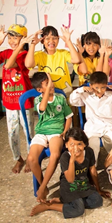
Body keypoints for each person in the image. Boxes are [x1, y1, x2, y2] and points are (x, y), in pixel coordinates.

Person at [0, 24, 35, 174]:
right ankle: (18, 158)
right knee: (12, 132)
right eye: (10, 37)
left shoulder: (25, 54)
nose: (12, 40)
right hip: (9, 102)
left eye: (16, 37)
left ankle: (30, 157)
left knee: (28, 131)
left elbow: (9, 65)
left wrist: (22, 46)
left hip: (24, 101)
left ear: (23, 39)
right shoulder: (5, 52)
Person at [30, 128, 111, 218]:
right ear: (66, 145)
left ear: (85, 144)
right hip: (69, 187)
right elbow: (70, 179)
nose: (76, 148)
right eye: (72, 144)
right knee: (78, 210)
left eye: (79, 144)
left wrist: (98, 189)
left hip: (83, 185)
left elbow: (93, 171)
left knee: (97, 201)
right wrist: (72, 161)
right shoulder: (65, 157)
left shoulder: (89, 152)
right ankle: (48, 206)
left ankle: (65, 201)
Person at [27, 72, 73, 202]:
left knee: (55, 155)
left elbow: (68, 117)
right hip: (41, 132)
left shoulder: (61, 98)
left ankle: (41, 189)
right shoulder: (38, 99)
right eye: (47, 84)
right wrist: (47, 91)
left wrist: (64, 131)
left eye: (50, 82)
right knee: (31, 159)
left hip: (56, 132)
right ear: (39, 90)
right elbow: (42, 107)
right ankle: (43, 186)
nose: (51, 85)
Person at [69, 72, 112, 166]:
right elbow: (73, 101)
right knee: (91, 145)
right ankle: (92, 166)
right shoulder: (86, 96)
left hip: (109, 126)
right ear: (91, 86)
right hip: (93, 126)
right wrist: (82, 89)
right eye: (96, 87)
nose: (100, 90)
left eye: (103, 87)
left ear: (106, 86)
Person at [25, 25, 87, 96]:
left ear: (58, 39)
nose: (51, 41)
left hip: (65, 93)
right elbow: (28, 64)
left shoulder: (63, 53)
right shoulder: (39, 55)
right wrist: (33, 44)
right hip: (48, 95)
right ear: (42, 41)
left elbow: (76, 59)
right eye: (47, 38)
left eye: (54, 38)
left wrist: (68, 41)